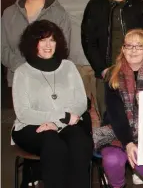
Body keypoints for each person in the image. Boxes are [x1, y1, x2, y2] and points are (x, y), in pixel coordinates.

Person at [11, 20, 92, 188]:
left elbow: (81, 101)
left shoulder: (68, 67)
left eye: (52, 40)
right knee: (53, 144)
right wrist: (60, 117)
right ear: (33, 43)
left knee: (80, 141)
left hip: (66, 124)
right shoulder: (22, 72)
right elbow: (23, 113)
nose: (48, 45)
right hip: (31, 127)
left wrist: (56, 123)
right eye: (43, 40)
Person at [81, 0, 143, 120]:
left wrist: (141, 70)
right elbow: (88, 42)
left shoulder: (139, 6)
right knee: (108, 121)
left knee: (139, 120)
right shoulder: (94, 6)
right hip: (106, 75)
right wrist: (103, 70)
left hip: (136, 74)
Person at [93, 29, 143, 188]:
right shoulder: (112, 73)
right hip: (116, 131)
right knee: (113, 160)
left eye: (139, 46)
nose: (133, 50)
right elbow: (115, 113)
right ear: (123, 49)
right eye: (129, 46)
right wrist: (129, 143)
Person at [2, 0, 71, 89]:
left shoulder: (59, 13)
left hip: (50, 79)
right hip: (19, 79)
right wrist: (22, 68)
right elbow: (2, 47)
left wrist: (42, 69)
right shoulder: (9, 14)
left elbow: (63, 47)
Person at [57, 0, 104, 125]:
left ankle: (103, 143)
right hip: (74, 63)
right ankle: (82, 142)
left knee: (102, 108)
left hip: (100, 63)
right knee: (78, 109)